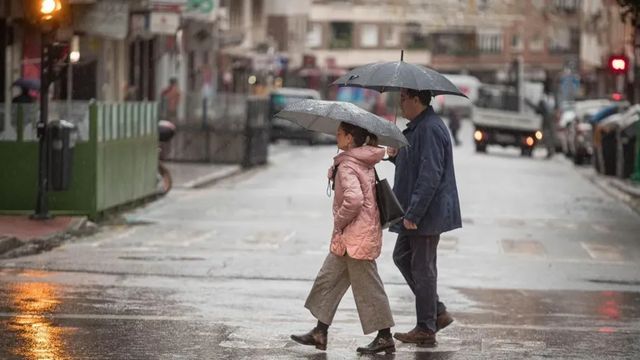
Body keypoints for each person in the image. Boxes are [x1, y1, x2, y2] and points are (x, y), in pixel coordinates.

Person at [291, 122, 396, 355]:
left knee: (369, 288)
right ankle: (320, 331)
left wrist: (339, 220)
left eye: (340, 133)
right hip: (352, 237)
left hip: (355, 236)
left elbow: (355, 199)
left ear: (350, 139)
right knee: (328, 280)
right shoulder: (358, 160)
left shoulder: (349, 164)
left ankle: (385, 336)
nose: (336, 135)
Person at [386, 89, 462, 347]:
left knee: (423, 267)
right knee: (402, 257)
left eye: (403, 99)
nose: (401, 104)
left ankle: (426, 327)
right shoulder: (419, 127)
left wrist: (414, 212)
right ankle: (436, 312)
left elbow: (430, 174)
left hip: (425, 213)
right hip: (415, 210)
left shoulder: (429, 128)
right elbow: (415, 166)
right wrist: (396, 156)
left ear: (417, 99)